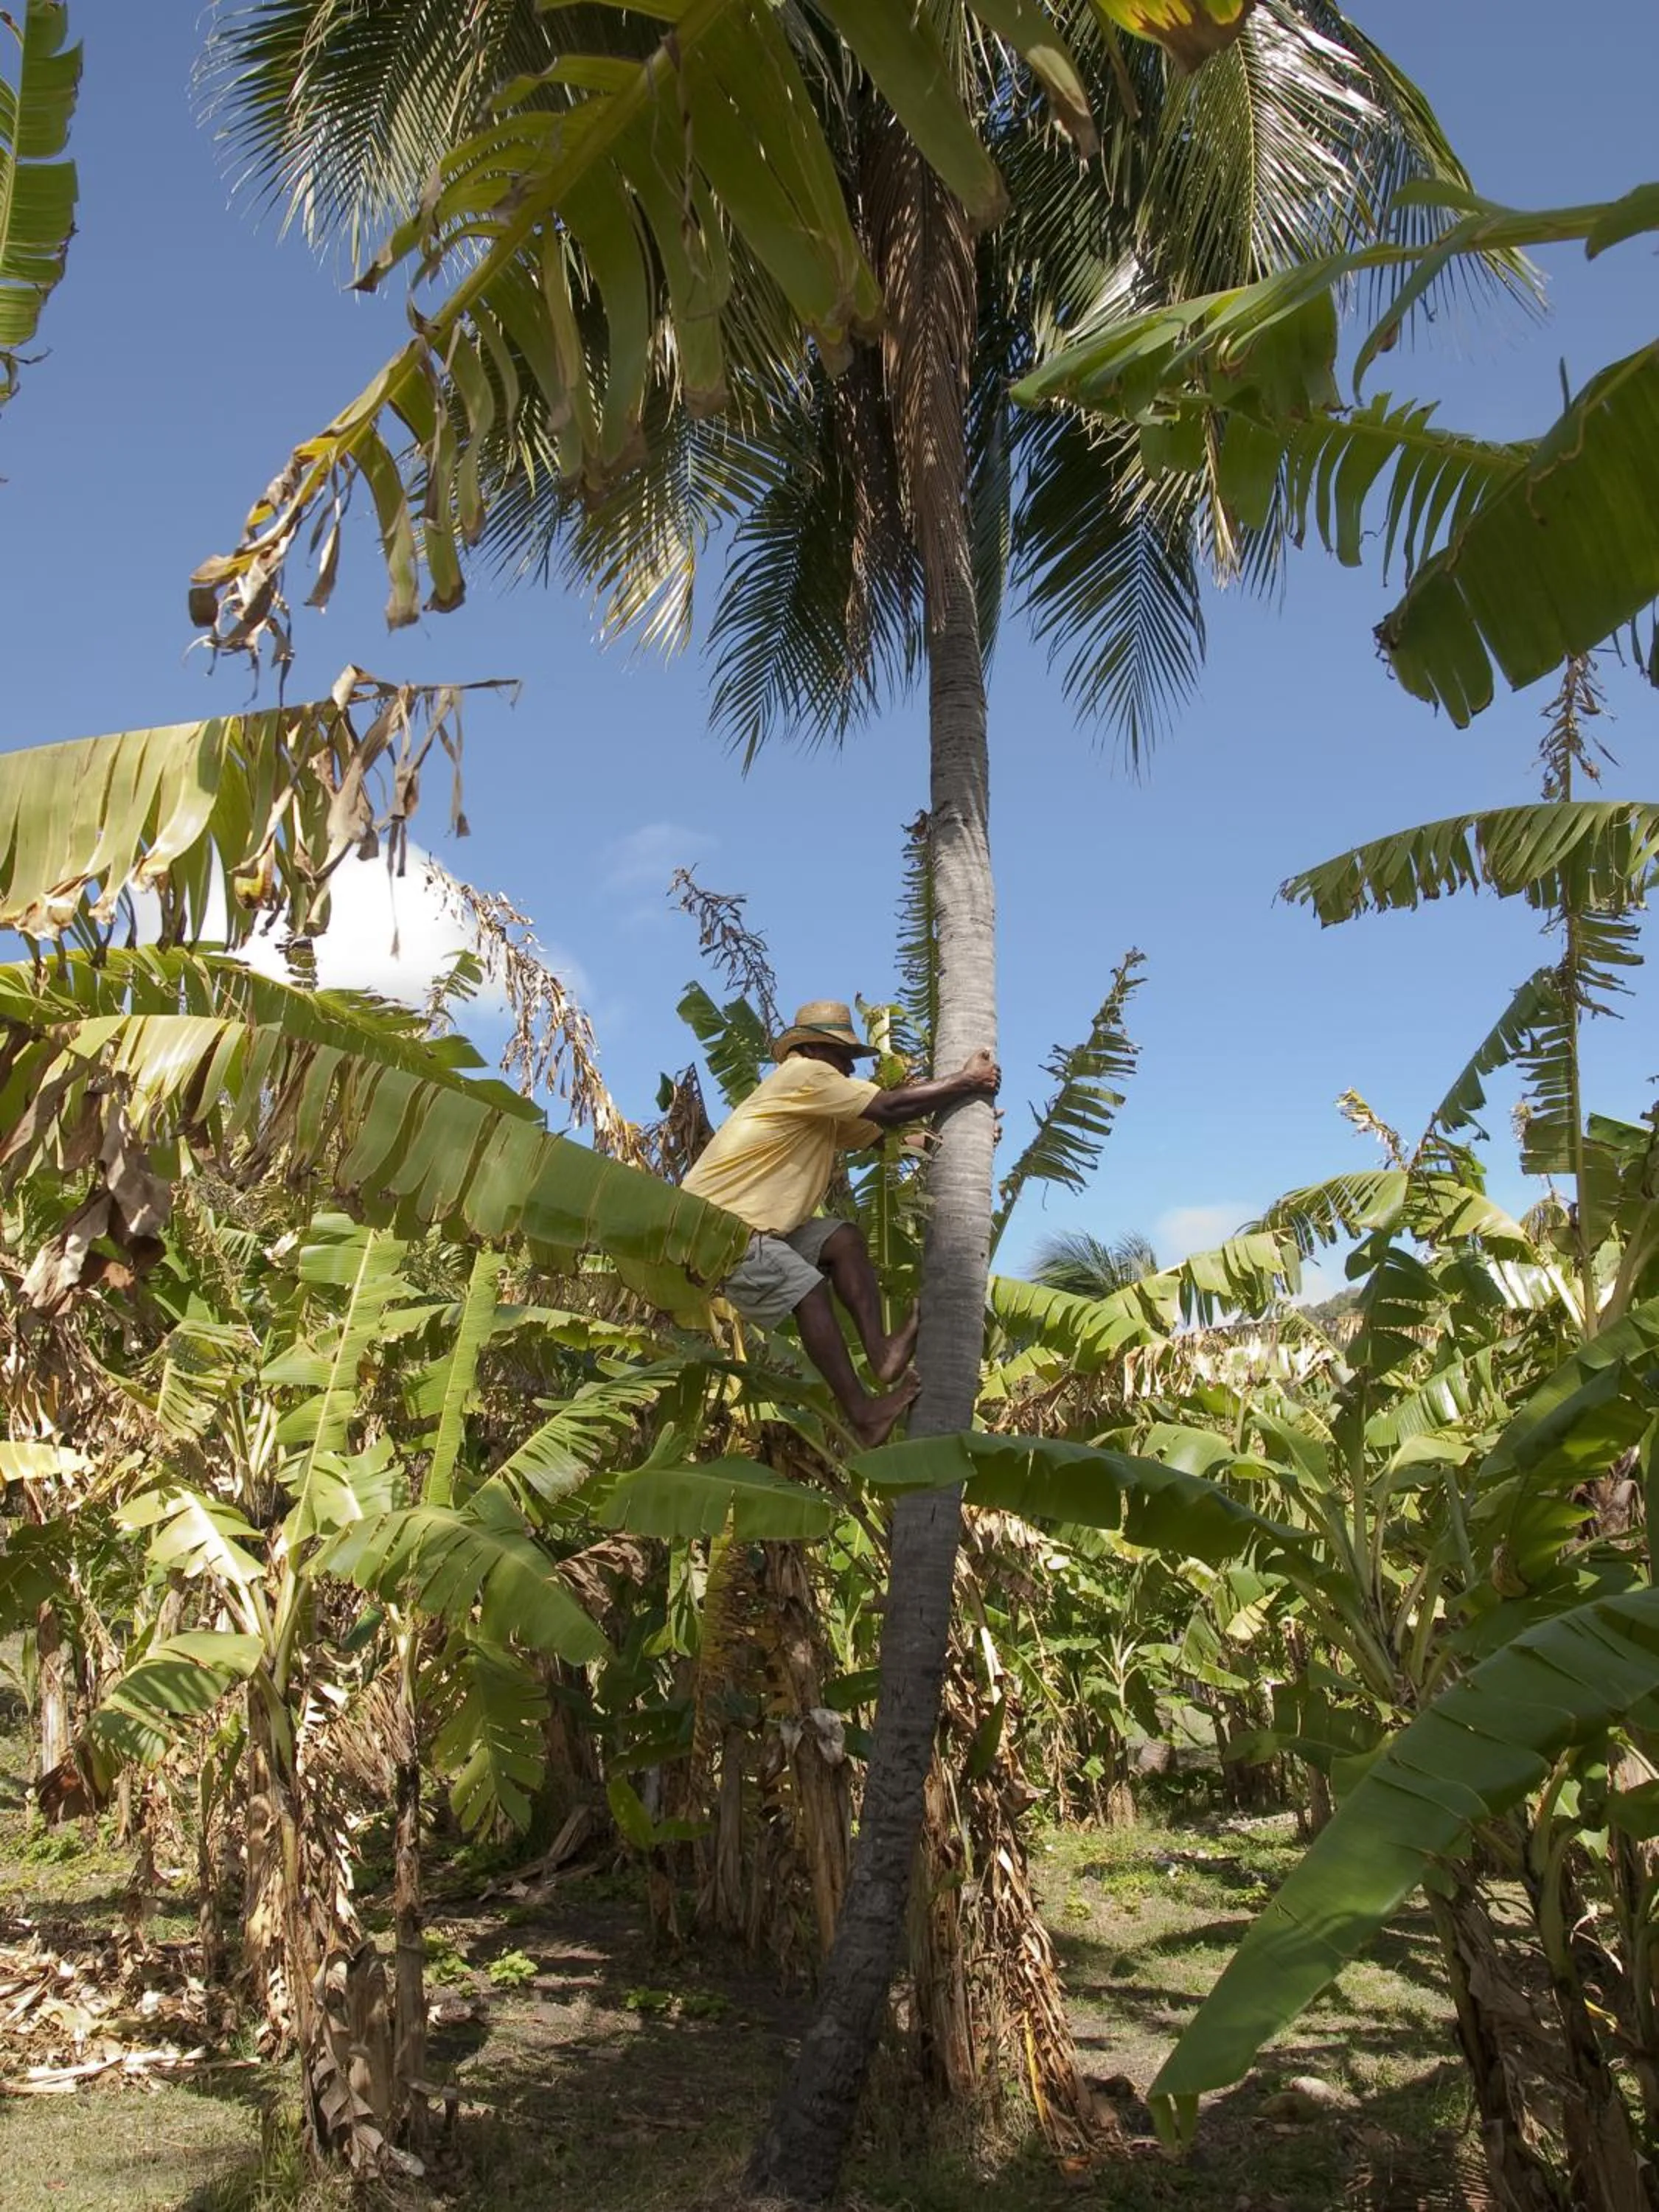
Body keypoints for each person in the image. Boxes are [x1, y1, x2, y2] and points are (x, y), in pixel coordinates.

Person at [681, 999, 1001, 1446]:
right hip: (719, 1229)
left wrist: (967, 1135)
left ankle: (884, 1354)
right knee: (807, 1288)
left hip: (760, 1228)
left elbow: (884, 1138)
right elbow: (888, 1109)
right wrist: (965, 1081)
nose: (849, 1069)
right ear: (814, 1050)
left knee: (843, 1239)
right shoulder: (805, 1076)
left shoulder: (819, 1101)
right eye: (843, 1057)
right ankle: (863, 1414)